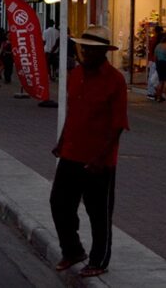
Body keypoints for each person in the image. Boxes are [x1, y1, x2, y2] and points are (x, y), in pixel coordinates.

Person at [50, 25, 129, 279]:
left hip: (99, 160)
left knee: (99, 213)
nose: (84, 52)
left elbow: (118, 125)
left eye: (91, 49)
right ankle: (72, 250)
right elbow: (73, 113)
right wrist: (61, 142)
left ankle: (99, 260)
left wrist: (101, 157)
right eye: (83, 47)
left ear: (103, 52)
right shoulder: (75, 75)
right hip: (71, 152)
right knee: (59, 203)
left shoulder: (115, 80)